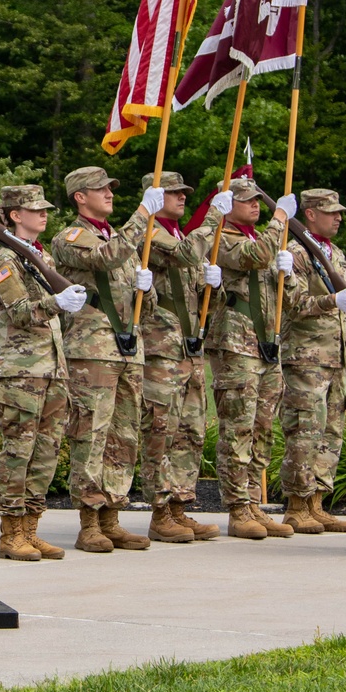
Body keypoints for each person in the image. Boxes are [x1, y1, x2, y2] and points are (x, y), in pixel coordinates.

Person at [51, 166, 165, 553]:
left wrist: (145, 292)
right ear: (80, 197)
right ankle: (89, 522)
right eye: (100, 189)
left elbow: (142, 310)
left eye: (110, 188)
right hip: (91, 349)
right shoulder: (71, 238)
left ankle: (112, 516)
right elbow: (104, 260)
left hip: (128, 348)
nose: (109, 194)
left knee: (124, 435)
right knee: (91, 434)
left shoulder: (121, 238)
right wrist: (143, 216)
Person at [0, 183, 87, 561]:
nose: (44, 214)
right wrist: (56, 301)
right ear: (14, 215)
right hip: (18, 371)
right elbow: (19, 311)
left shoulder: (39, 256)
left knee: (45, 452)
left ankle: (30, 528)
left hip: (51, 368)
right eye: (35, 209)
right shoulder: (4, 260)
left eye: (45, 208)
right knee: (19, 451)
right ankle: (11, 533)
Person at [137, 171, 224, 544]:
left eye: (184, 192)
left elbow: (196, 295)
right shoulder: (152, 233)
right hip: (161, 348)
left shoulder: (181, 234)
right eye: (173, 193)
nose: (182, 197)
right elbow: (186, 255)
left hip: (189, 347)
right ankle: (159, 510)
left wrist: (211, 286)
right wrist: (215, 219)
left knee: (189, 431)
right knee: (161, 429)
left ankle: (179, 504)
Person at [208, 176, 296, 540]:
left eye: (259, 200)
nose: (255, 205)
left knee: (262, 428)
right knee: (238, 427)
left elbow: (285, 299)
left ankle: (254, 503)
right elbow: (253, 259)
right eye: (246, 201)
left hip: (265, 343)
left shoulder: (261, 239)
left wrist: (286, 275)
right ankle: (236, 506)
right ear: (228, 206)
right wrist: (280, 219)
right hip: (236, 344)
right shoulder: (222, 239)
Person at [280, 188, 346, 535]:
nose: (339, 217)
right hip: (304, 358)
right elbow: (293, 304)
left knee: (332, 431)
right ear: (310, 214)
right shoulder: (296, 252)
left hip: (331, 357)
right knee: (304, 431)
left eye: (339, 211)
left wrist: (344, 348)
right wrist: (332, 301)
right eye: (331, 212)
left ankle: (317, 501)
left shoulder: (335, 253)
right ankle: (297, 505)